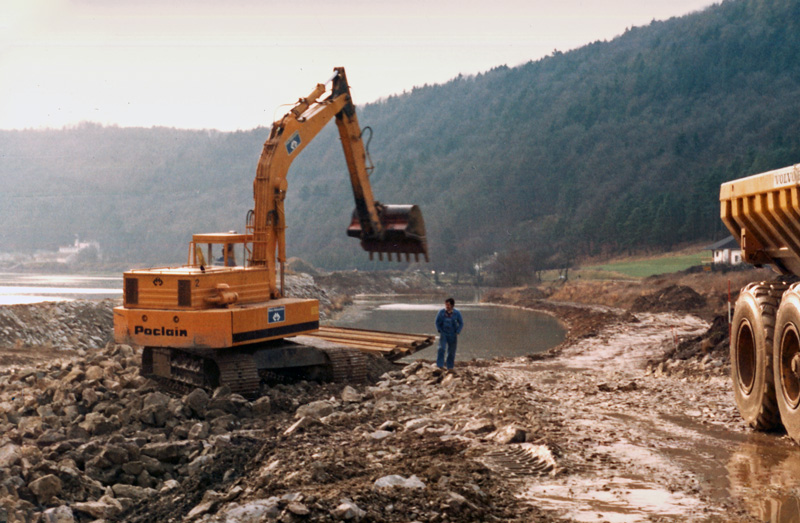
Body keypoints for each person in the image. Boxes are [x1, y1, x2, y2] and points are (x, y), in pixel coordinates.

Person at [434, 297, 464, 373]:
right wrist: (439, 329)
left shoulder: (457, 313)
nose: (447, 306)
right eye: (446, 305)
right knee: (441, 348)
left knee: (451, 351)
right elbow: (437, 322)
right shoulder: (441, 312)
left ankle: (450, 367)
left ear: (452, 305)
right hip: (443, 333)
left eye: (448, 305)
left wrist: (458, 331)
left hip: (453, 334)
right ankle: (440, 365)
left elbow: (461, 323)